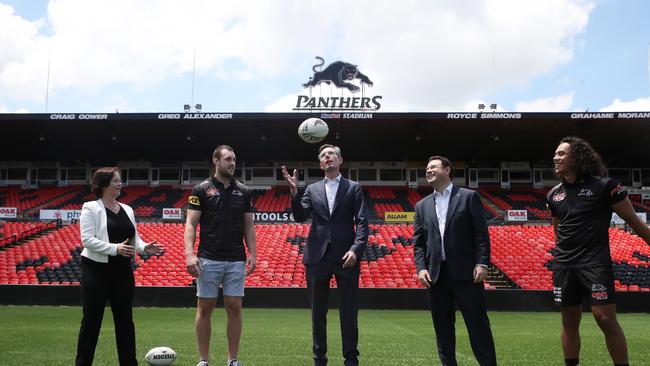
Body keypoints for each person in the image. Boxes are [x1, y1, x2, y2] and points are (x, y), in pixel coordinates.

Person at [546, 137, 650, 366]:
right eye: (555, 154)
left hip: (595, 264)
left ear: (578, 157)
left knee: (605, 318)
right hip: (564, 266)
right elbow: (558, 232)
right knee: (569, 321)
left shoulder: (605, 187)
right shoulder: (553, 195)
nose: (556, 157)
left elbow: (634, 221)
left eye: (562, 154)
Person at [281, 144, 368, 366]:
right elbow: (300, 216)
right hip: (317, 257)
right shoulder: (312, 189)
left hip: (346, 257)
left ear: (340, 160)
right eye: (323, 156)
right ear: (320, 164)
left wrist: (355, 250)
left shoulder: (354, 188)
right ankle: (319, 359)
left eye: (332, 154)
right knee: (318, 313)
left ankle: (351, 359)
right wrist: (294, 192)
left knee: (349, 311)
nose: (328, 157)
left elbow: (362, 223)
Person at [412, 156, 497, 366]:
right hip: (435, 276)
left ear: (447, 170)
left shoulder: (468, 197)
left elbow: (481, 234)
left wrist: (482, 262)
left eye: (433, 167)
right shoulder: (421, 206)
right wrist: (421, 268)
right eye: (427, 168)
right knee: (442, 328)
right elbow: (418, 243)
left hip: (467, 274)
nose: (428, 171)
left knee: (478, 326)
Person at [76, 167, 164, 366]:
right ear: (104, 184)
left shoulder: (128, 209)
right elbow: (87, 240)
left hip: (122, 271)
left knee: (125, 320)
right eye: (116, 180)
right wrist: (115, 249)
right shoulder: (90, 207)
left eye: (120, 180)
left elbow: (134, 239)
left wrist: (144, 247)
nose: (120, 184)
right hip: (95, 269)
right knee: (91, 320)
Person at [184, 145, 257, 366]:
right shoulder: (200, 190)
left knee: (234, 307)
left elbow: (249, 227)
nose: (232, 163)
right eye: (227, 159)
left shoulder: (244, 191)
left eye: (234, 159)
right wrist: (190, 254)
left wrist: (252, 253)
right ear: (216, 160)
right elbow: (190, 224)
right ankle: (203, 360)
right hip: (208, 258)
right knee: (204, 307)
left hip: (236, 259)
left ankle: (232, 360)